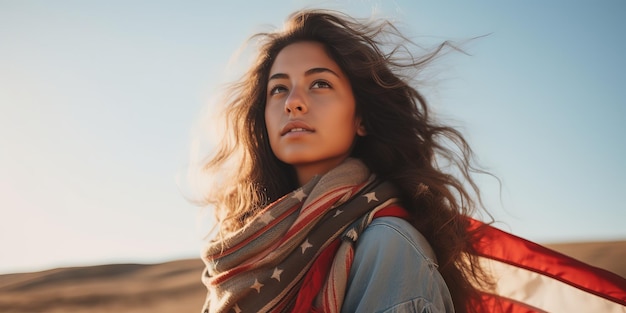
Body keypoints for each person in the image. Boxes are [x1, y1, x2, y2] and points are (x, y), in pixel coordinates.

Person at [197, 9, 494, 313]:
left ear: (361, 118)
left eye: (320, 84)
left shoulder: (386, 246)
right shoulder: (239, 253)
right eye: (279, 89)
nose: (293, 102)